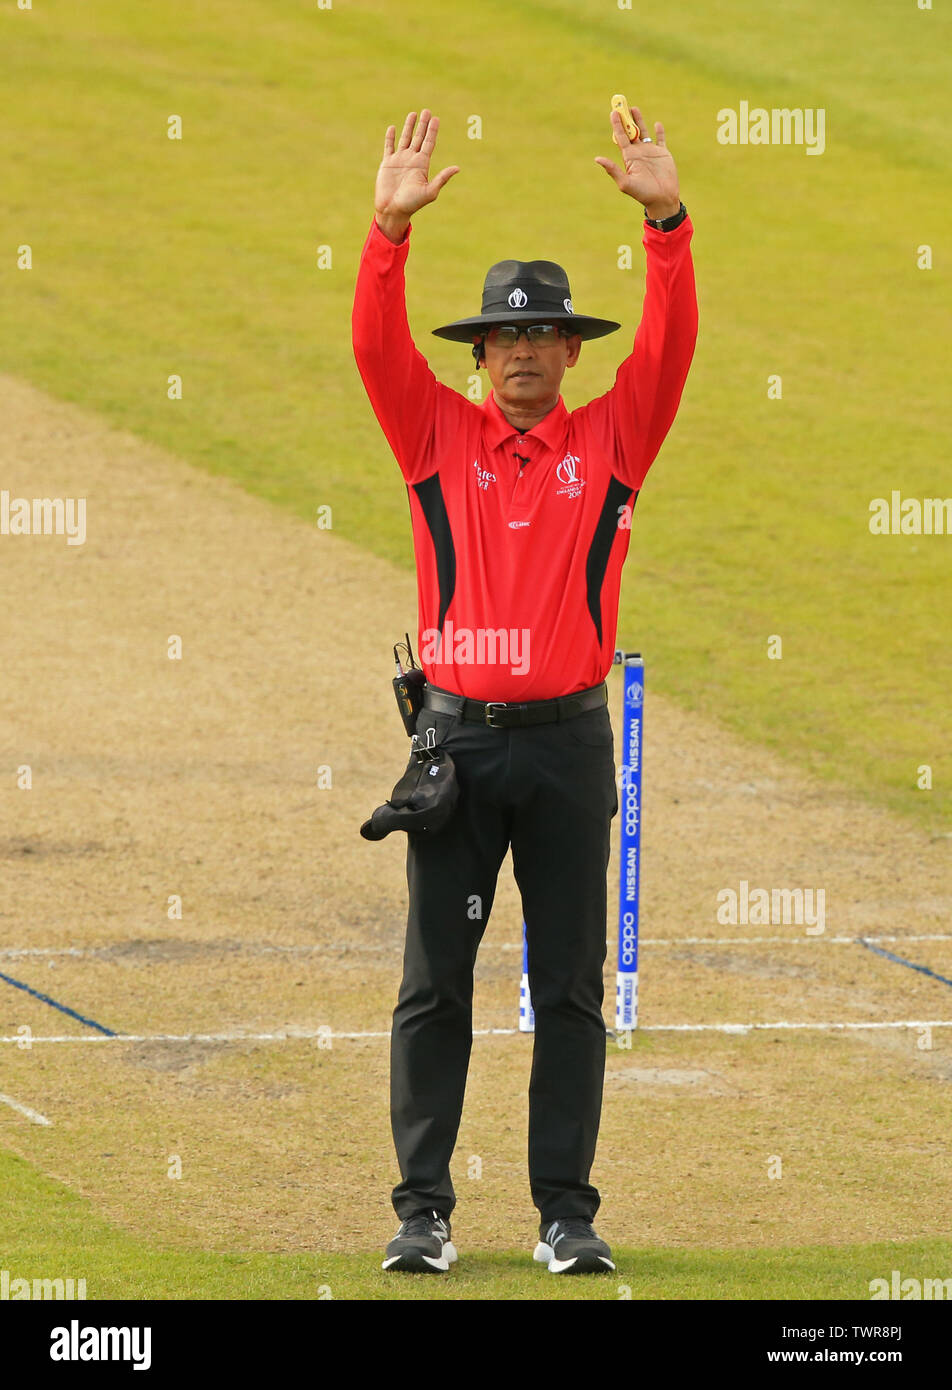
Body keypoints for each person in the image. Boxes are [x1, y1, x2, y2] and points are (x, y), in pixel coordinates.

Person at [352, 103, 697, 1275]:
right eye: (507, 338)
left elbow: (673, 346)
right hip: (455, 752)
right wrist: (387, 231)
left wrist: (666, 220)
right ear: (479, 355)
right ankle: (422, 1212)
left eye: (546, 334)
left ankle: (565, 1214)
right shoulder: (430, 436)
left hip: (563, 751)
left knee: (566, 989)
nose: (526, 353)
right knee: (435, 988)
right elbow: (371, 348)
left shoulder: (612, 441)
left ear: (571, 350)